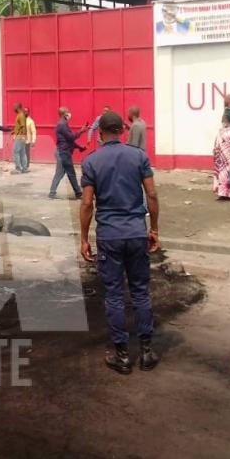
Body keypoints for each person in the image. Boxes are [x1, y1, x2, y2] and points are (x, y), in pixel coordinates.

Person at [79, 111, 160, 374]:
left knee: (114, 295)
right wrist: (155, 229)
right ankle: (147, 352)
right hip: (137, 232)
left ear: (101, 133)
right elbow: (152, 194)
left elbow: (87, 202)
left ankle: (122, 355)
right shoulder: (138, 156)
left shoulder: (91, 161)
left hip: (110, 235)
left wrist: (83, 238)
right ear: (122, 131)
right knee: (140, 291)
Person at [49, 107, 87, 199]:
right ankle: (78, 193)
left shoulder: (63, 124)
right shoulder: (62, 124)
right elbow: (70, 137)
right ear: (64, 114)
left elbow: (68, 141)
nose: (70, 114)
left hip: (62, 152)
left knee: (61, 173)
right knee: (71, 173)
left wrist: (79, 147)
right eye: (68, 112)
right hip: (63, 153)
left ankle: (52, 192)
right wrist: (81, 131)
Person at [11, 102, 28, 174]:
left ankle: (18, 169)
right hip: (21, 136)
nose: (13, 108)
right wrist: (14, 131)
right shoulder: (21, 115)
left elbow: (23, 126)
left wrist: (23, 136)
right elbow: (19, 126)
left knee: (16, 152)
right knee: (22, 152)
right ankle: (24, 168)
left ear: (17, 107)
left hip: (20, 136)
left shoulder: (20, 115)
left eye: (14, 107)